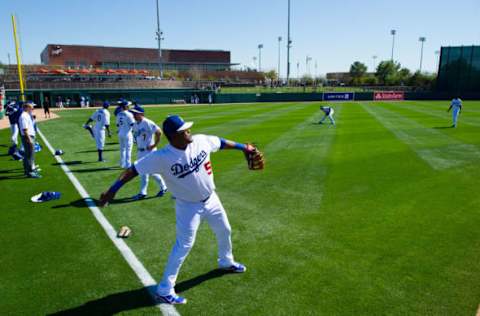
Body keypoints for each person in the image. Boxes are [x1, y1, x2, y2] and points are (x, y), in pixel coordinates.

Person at [99, 114, 264, 304]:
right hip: (188, 207)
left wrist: (245, 148)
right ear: (173, 136)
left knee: (225, 229)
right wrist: (112, 191)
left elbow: (221, 142)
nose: (189, 131)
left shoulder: (201, 141)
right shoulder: (161, 157)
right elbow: (131, 171)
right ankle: (165, 288)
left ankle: (226, 261)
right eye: (184, 130)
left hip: (212, 200)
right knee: (184, 245)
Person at [129, 105, 167, 200]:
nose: (133, 115)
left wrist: (154, 145)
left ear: (141, 114)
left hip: (149, 151)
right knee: (147, 172)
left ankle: (143, 193)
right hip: (141, 151)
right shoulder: (136, 124)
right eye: (133, 113)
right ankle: (162, 187)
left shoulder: (147, 122)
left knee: (146, 171)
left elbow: (159, 132)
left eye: (135, 113)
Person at [18, 101, 41, 178]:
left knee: (28, 155)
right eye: (31, 107)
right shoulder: (24, 116)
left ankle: (28, 171)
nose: (32, 108)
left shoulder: (26, 115)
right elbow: (25, 130)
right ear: (27, 108)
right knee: (29, 155)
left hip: (29, 136)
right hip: (27, 137)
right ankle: (29, 172)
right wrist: (29, 139)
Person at [116, 100, 135, 169]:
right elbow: (132, 124)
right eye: (128, 105)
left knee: (122, 149)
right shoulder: (129, 114)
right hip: (127, 133)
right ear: (126, 106)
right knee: (128, 150)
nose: (129, 106)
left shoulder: (119, 114)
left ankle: (122, 163)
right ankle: (128, 165)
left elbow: (117, 124)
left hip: (120, 133)